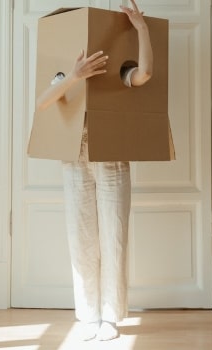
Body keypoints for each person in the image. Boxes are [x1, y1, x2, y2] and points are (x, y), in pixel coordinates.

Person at [34, 0, 153, 342]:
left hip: (112, 157)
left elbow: (144, 74)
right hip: (75, 158)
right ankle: (88, 315)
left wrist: (141, 28)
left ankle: (111, 317)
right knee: (81, 237)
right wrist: (73, 76)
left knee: (113, 236)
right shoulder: (65, 72)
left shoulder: (115, 68)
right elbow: (42, 103)